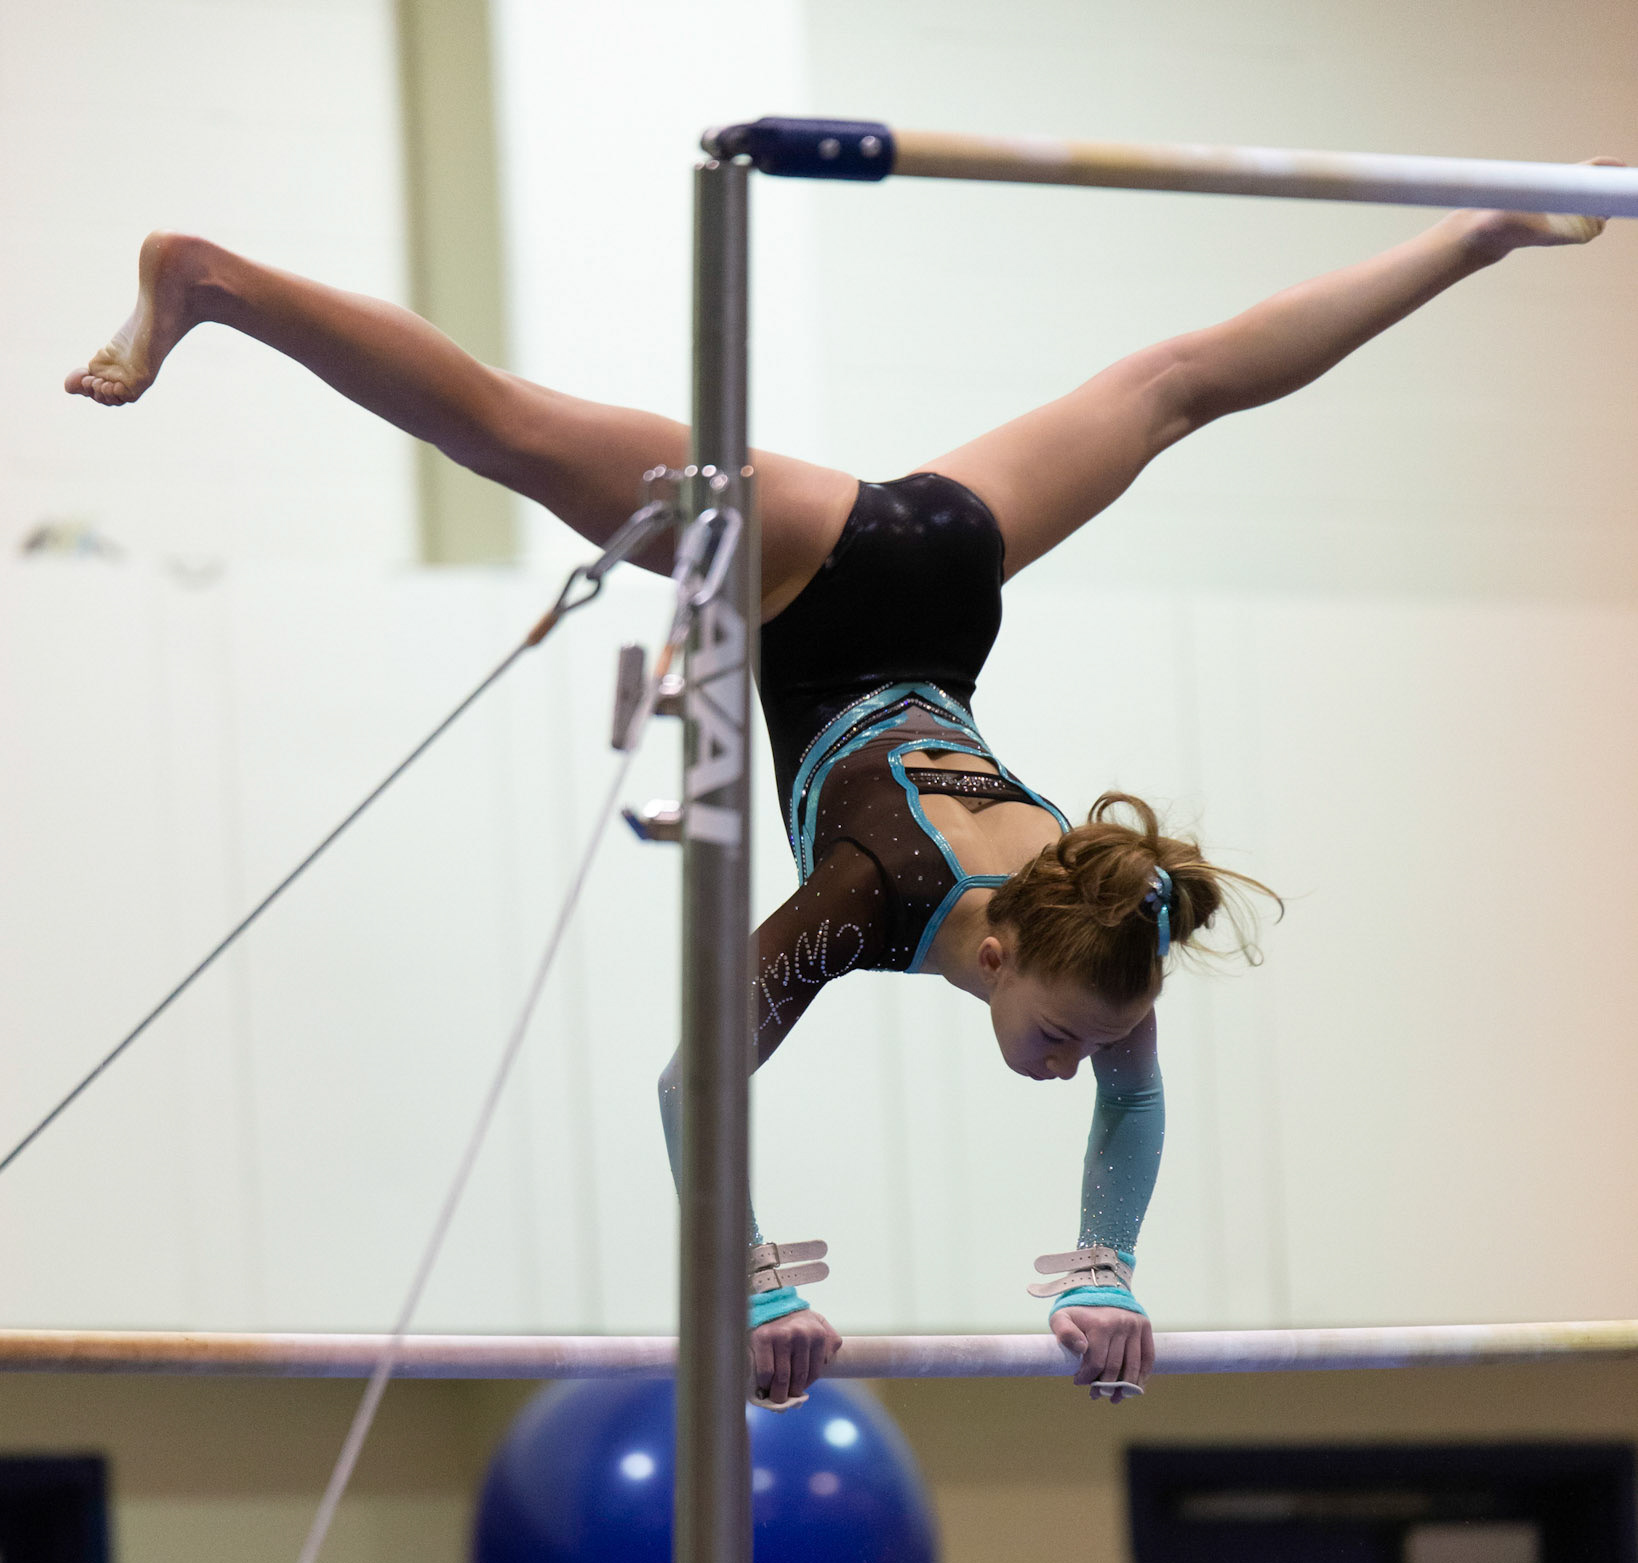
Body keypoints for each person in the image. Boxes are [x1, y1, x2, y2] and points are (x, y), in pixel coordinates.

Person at [67, 188, 1612, 1405]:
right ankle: (210, 279)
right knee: (507, 428)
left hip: (945, 578)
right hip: (814, 579)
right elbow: (690, 1084)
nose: (1076, 1066)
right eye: (1064, 1040)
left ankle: (1478, 231)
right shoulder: (868, 902)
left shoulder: (1108, 917)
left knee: (1173, 387)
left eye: (1082, 1042)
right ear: (993, 950)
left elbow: (1129, 1088)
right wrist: (750, 1284)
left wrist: (1104, 1274)